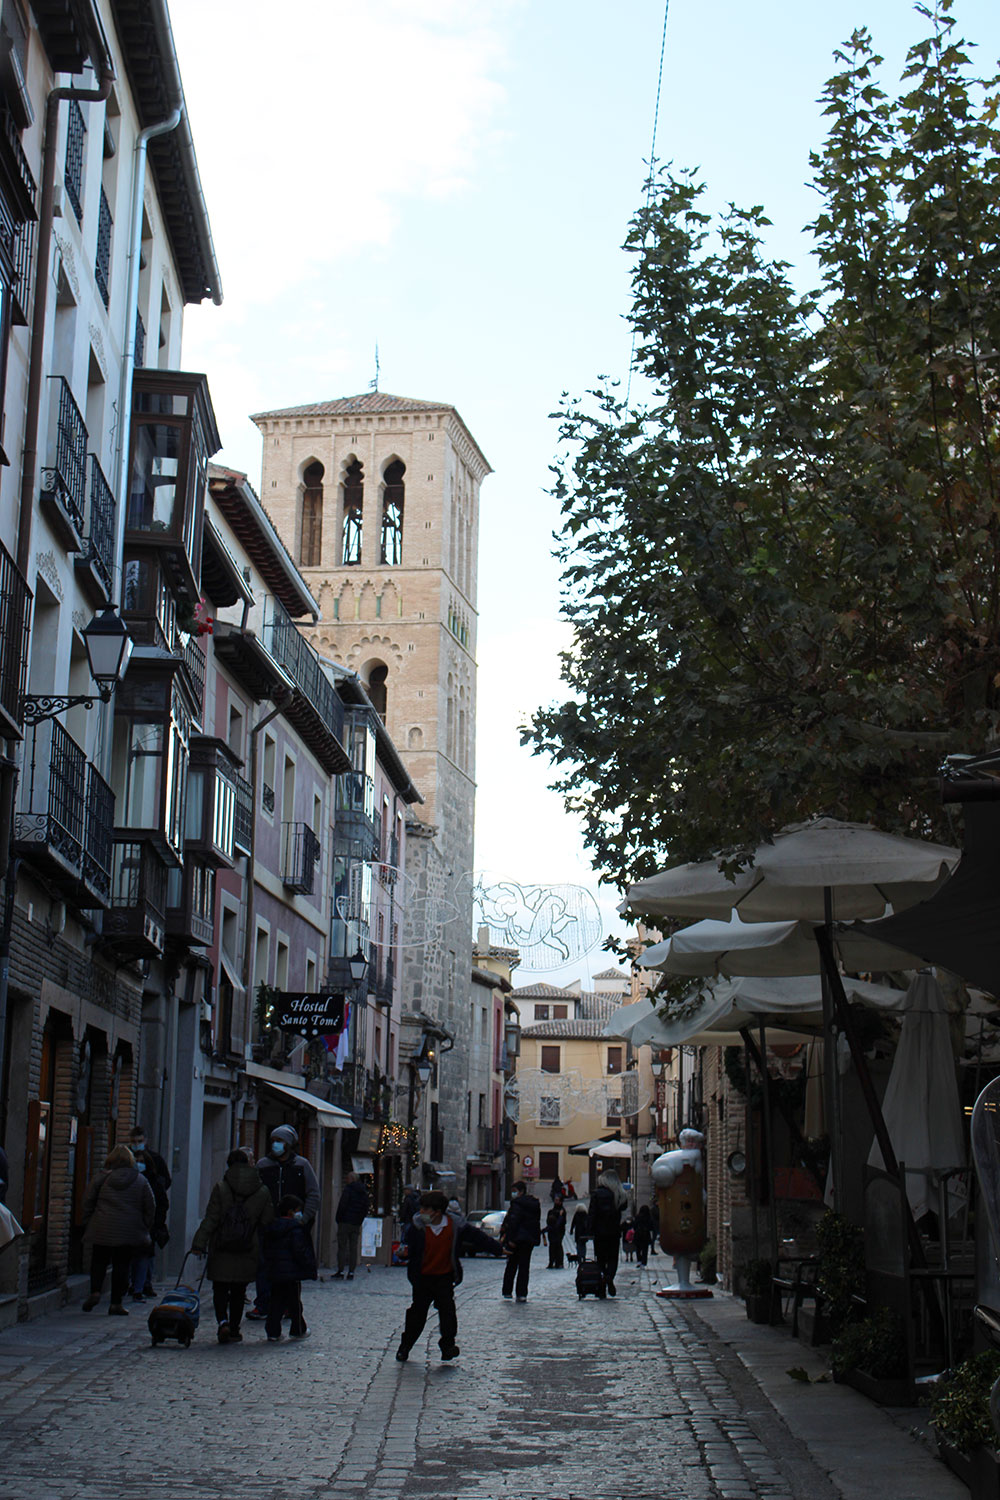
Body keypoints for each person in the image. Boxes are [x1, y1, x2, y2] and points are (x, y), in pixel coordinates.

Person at [396, 1190, 503, 1362]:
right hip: (423, 1277)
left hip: (444, 1276)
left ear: (437, 1212)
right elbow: (410, 1248)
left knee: (448, 1314)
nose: (421, 1212)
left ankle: (447, 1346)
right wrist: (404, 1254)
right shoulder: (418, 1227)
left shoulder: (454, 1225)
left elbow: (478, 1238)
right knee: (417, 1314)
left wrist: (498, 1249)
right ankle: (405, 1346)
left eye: (425, 1209)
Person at [192, 1147, 274, 1343]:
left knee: (220, 1288)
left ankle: (223, 1322)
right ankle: (236, 1329)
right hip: (247, 1247)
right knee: (239, 1290)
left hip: (222, 1245)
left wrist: (199, 1243)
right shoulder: (262, 1191)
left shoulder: (221, 1188)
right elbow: (267, 1221)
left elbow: (211, 1219)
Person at [248, 1124, 320, 1318]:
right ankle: (263, 1304)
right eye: (273, 1141)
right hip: (268, 1224)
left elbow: (313, 1194)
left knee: (290, 1269)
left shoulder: (302, 1165)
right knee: (264, 1265)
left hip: (292, 1227)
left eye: (279, 1141)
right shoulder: (263, 1166)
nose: (275, 1145)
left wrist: (304, 1219)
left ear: (288, 1144)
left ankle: (290, 1306)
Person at [80, 1145, 155, 1315]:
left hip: (102, 1226)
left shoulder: (101, 1178)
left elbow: (88, 1200)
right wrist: (144, 1225)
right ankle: (116, 1302)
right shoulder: (141, 1181)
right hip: (128, 1230)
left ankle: (96, 1291)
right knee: (122, 1264)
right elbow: (150, 1206)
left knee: (99, 1260)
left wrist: (89, 1221)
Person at [261, 1194, 317, 1342]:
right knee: (294, 1302)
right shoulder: (295, 1229)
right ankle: (298, 1329)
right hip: (292, 1273)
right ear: (291, 1211)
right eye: (298, 1210)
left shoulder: (272, 1228)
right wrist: (308, 1264)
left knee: (276, 1302)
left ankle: (273, 1331)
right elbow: (300, 1250)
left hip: (276, 1272)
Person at [128, 1125, 170, 1296]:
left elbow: (166, 1181)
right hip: (132, 1212)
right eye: (134, 1141)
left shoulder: (155, 1160)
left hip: (149, 1214)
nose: (137, 1144)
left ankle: (146, 1283)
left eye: (139, 1141)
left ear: (145, 1141)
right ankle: (136, 1283)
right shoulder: (126, 1159)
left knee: (147, 1250)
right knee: (134, 1251)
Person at [588, 1168, 627, 1296]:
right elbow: (625, 1211)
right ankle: (609, 1278)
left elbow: (592, 1214)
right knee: (613, 1259)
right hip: (614, 1232)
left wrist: (589, 1229)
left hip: (600, 1233)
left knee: (600, 1259)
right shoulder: (620, 1194)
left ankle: (602, 1286)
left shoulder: (597, 1194)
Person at [500, 1181, 541, 1302]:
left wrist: (510, 1239)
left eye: (514, 1191)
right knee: (524, 1266)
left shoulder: (517, 1204)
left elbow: (513, 1222)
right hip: (528, 1239)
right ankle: (522, 1293)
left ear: (521, 1191)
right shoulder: (534, 1204)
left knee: (512, 1265)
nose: (513, 1193)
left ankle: (507, 1291)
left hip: (517, 1238)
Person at [334, 1170, 369, 1280]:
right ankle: (351, 1271)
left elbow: (343, 1205)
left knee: (342, 1247)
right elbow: (365, 1207)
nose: (346, 1179)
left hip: (345, 1221)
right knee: (353, 1248)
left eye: (348, 1178)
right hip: (356, 1223)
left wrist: (339, 1218)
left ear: (352, 1179)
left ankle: (340, 1270)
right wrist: (359, 1220)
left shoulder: (348, 1190)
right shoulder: (363, 1192)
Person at [545, 1194, 567, 1269]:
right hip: (552, 1230)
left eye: (557, 1200)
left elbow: (563, 1222)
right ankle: (552, 1261)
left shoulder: (562, 1211)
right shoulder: (551, 1211)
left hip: (559, 1231)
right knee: (552, 1246)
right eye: (555, 1200)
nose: (555, 1201)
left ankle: (559, 1262)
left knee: (558, 1245)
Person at [633, 1203, 654, 1268]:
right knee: (645, 1250)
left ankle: (639, 1260)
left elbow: (634, 1226)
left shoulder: (637, 1217)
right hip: (645, 1235)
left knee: (638, 1249)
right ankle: (643, 1263)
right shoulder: (649, 1217)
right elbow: (651, 1227)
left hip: (638, 1235)